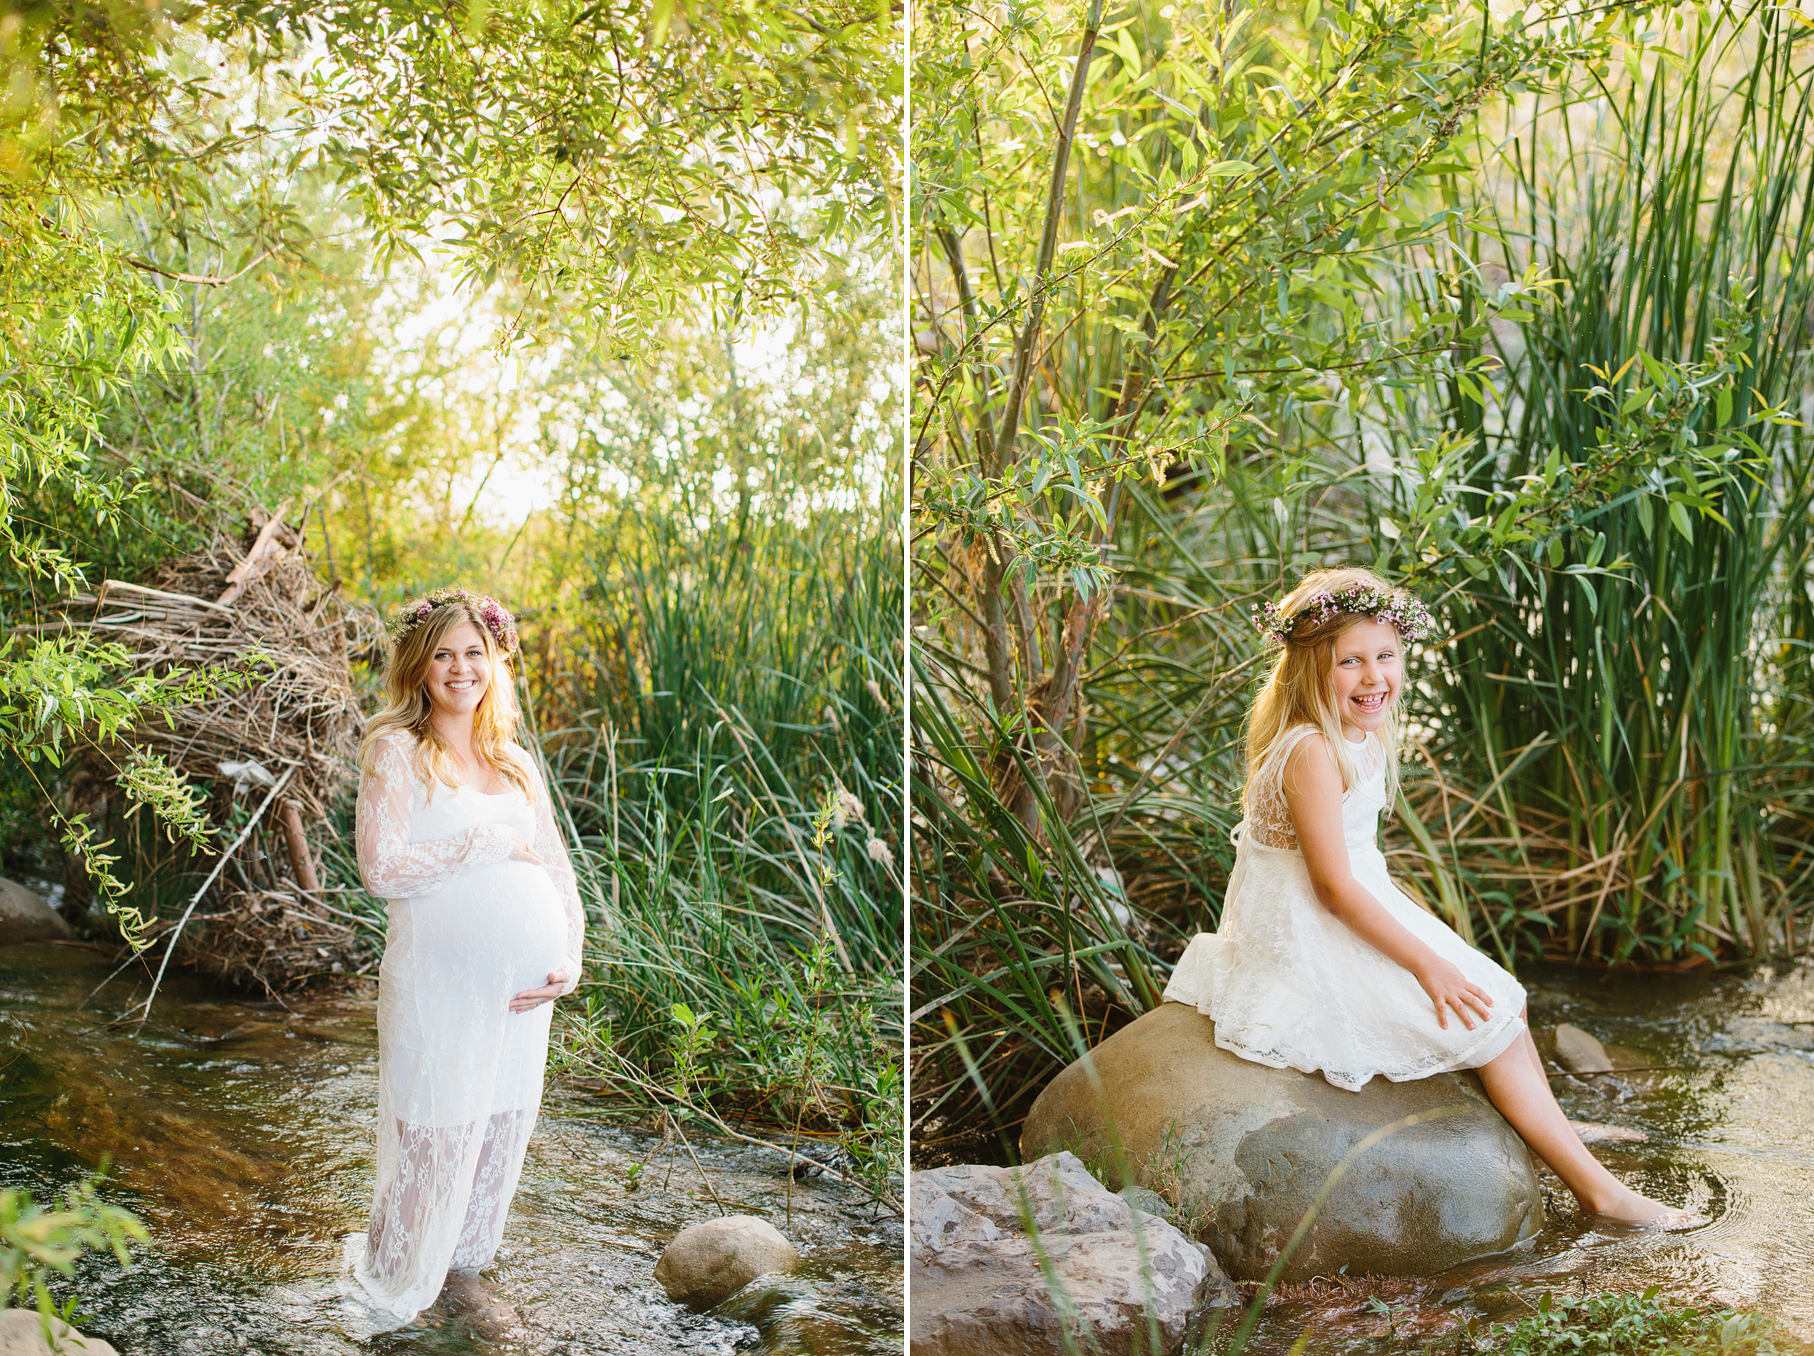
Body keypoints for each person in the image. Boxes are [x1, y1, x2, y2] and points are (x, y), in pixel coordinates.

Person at [1163, 566, 1698, 1227]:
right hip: (1313, 934)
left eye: (1384, 657)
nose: (1373, 677)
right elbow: (1330, 887)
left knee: (1507, 1000)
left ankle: (1548, 1131)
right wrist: (1426, 963)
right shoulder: (1310, 751)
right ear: (1309, 667)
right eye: (1350, 662)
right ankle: (1602, 1194)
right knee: (1486, 1021)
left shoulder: (1343, 735)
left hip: (1354, 903)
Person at [342, 587, 586, 1331]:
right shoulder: (395, 748)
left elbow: (556, 865)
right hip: (436, 985)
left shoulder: (512, 758)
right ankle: (395, 1281)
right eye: (443, 655)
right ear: (418, 666)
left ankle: (461, 1275)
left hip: (518, 994)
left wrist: (570, 950)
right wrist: (483, 843)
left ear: (494, 661)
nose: (459, 668)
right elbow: (382, 869)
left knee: (500, 1127)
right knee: (435, 1126)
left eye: (473, 653)